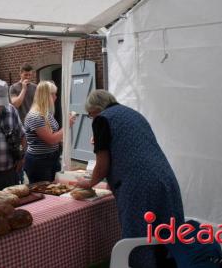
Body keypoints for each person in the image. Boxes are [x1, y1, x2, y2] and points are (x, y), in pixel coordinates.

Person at [77, 90, 184, 268]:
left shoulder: (102, 119)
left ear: (96, 109)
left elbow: (102, 165)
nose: (91, 119)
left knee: (138, 238)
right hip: (164, 177)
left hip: (138, 186)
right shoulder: (134, 114)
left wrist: (88, 182)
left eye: (90, 115)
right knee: (166, 235)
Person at [24, 81, 76, 183]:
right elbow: (51, 140)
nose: (56, 97)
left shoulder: (46, 113)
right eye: (53, 94)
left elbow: (54, 134)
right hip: (40, 161)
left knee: (54, 189)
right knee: (44, 192)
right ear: (45, 96)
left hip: (51, 157)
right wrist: (66, 126)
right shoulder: (36, 116)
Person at [10, 63, 37, 183]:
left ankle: (31, 177)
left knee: (31, 154)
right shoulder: (14, 87)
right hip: (19, 127)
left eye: (30, 75)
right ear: (20, 73)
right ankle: (19, 180)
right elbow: (15, 104)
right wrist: (24, 89)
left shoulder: (35, 87)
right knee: (21, 154)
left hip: (33, 125)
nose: (27, 77)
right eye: (25, 74)